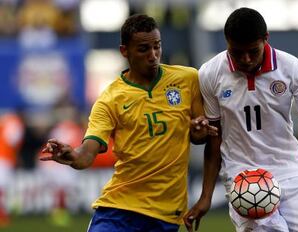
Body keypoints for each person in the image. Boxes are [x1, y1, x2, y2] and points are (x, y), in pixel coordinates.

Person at [184, 7, 298, 232]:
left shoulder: (290, 68)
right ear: (227, 42)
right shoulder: (210, 73)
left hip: (290, 173)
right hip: (244, 178)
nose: (246, 59)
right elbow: (214, 140)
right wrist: (206, 197)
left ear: (266, 39)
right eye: (237, 52)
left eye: (253, 51)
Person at [41, 14, 217, 232]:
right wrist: (73, 156)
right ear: (125, 51)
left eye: (157, 47)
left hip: (166, 215)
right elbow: (87, 154)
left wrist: (199, 130)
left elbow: (200, 137)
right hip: (119, 210)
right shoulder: (110, 99)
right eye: (144, 49)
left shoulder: (188, 79)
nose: (153, 55)